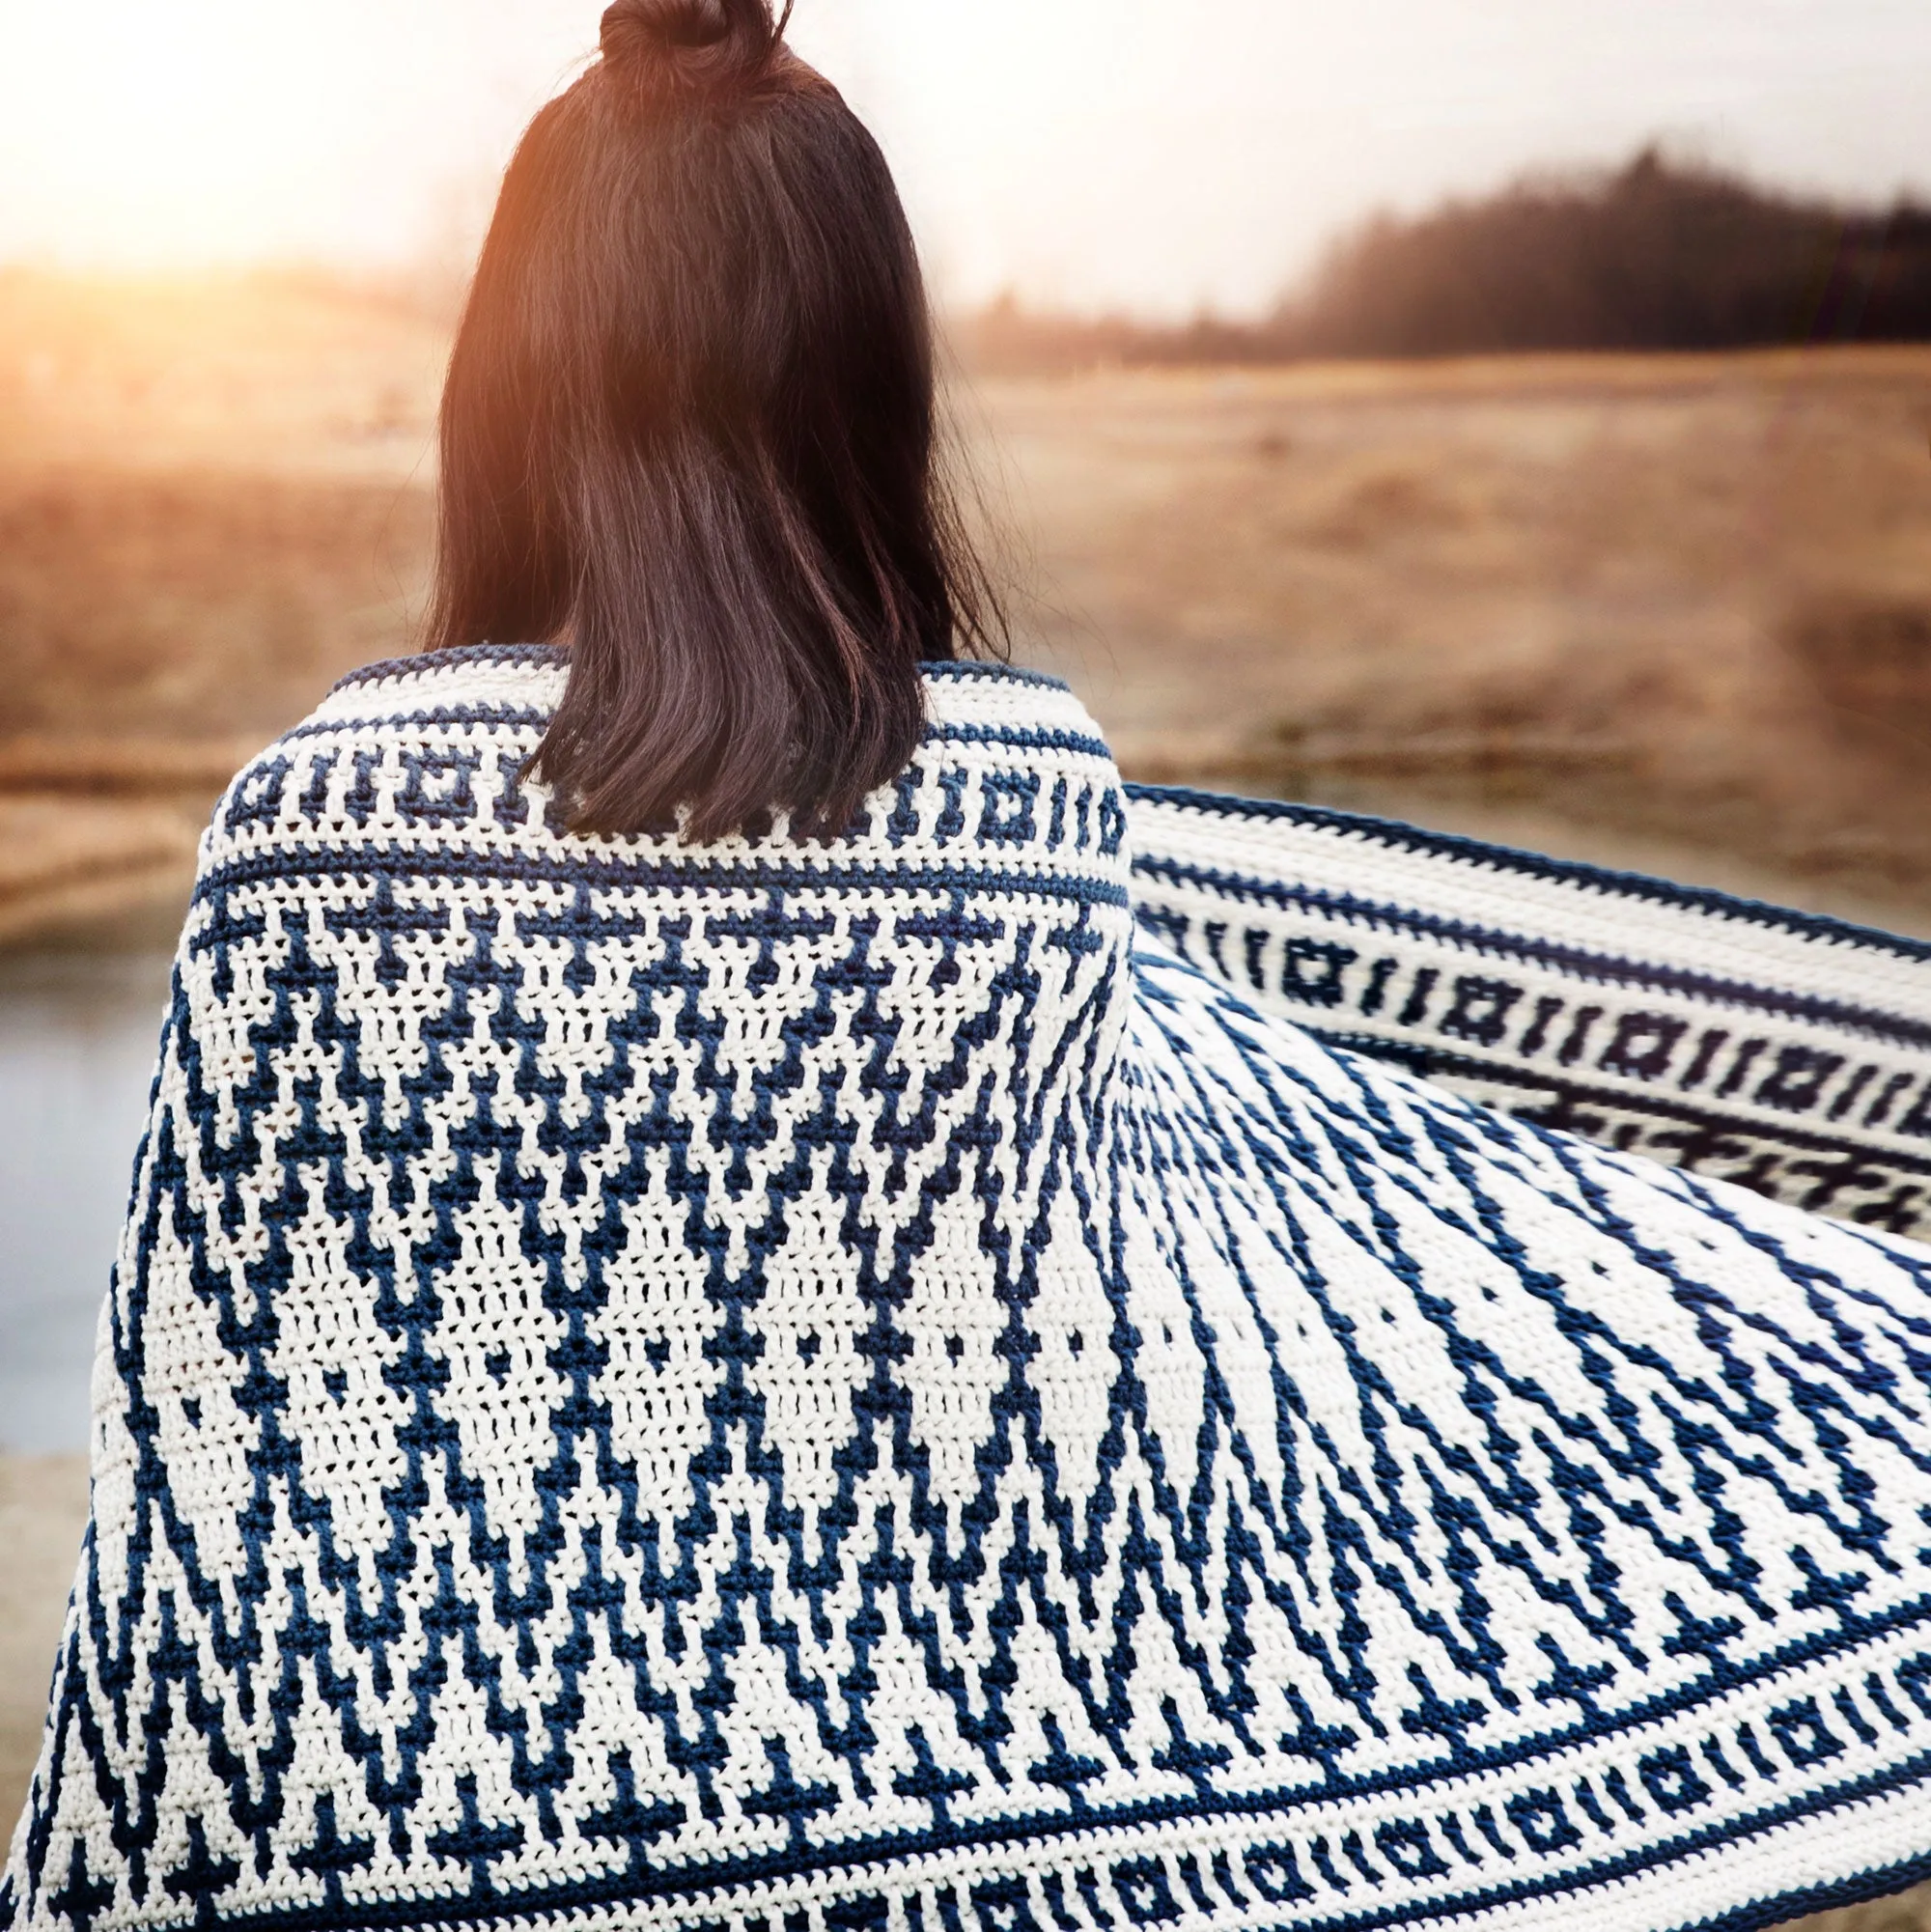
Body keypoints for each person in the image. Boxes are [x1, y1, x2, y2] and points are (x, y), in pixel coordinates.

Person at [9, 5, 1931, 1932]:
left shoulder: (311, 834)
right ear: (869, 387)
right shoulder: (1029, 816)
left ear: (503, 392)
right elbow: (1117, 1339)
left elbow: (214, 1505)